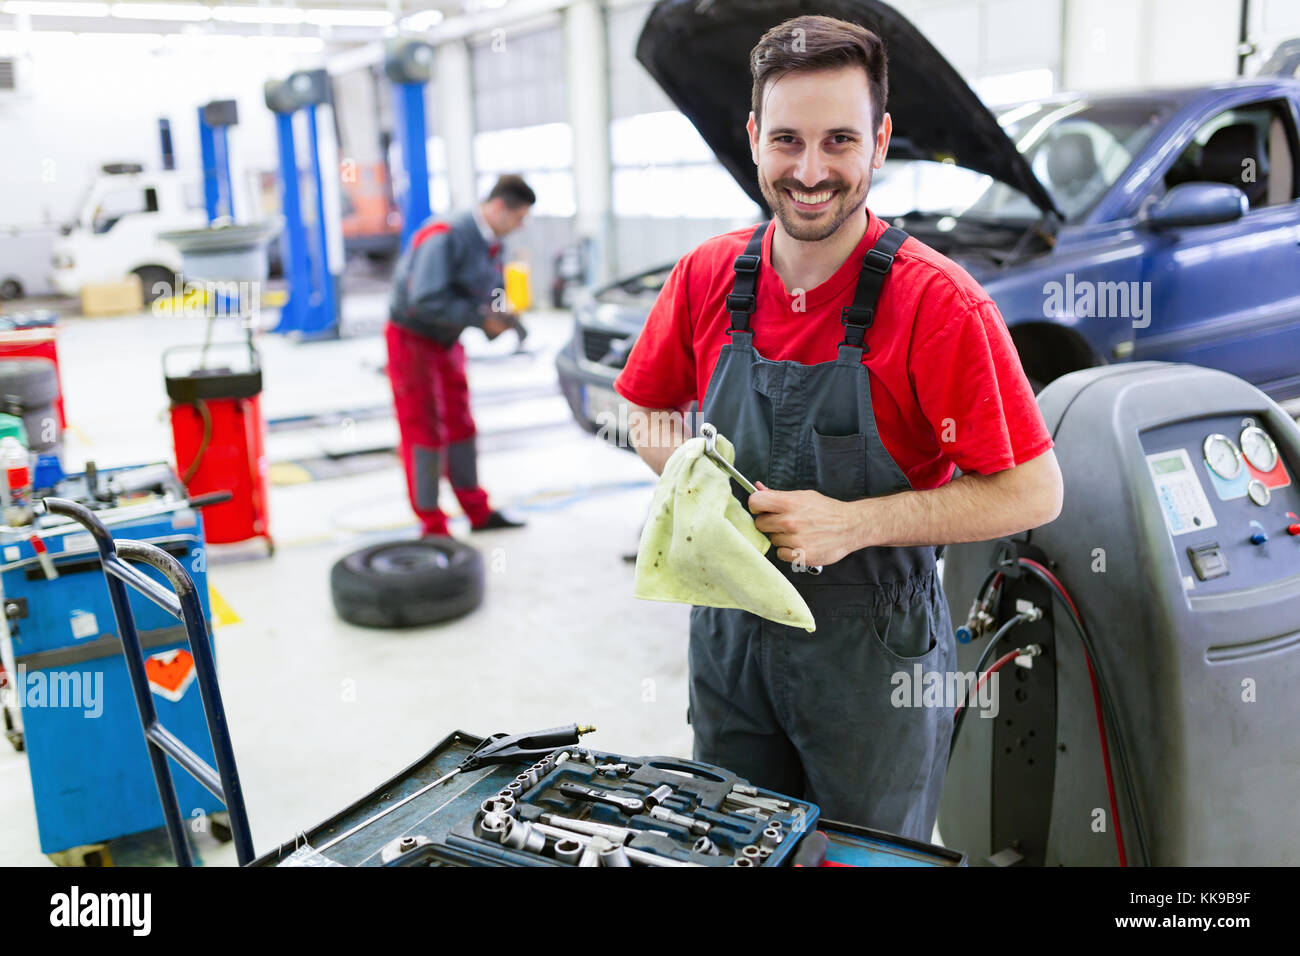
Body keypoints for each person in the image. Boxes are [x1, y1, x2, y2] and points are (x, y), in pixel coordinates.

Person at [613, 15, 1063, 841]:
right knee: (730, 842)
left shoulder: (938, 304)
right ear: (752, 138)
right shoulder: (706, 276)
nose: (810, 171)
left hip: (873, 659)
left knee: (864, 855)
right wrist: (689, 478)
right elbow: (641, 409)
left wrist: (856, 523)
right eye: (786, 139)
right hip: (728, 632)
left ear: (880, 142)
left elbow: (1034, 488)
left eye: (839, 141)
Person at [386, 174, 534, 537]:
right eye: (518, 218)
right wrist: (479, 318)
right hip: (413, 340)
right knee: (423, 428)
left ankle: (477, 511)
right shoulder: (445, 236)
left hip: (448, 340)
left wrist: (501, 314)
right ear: (498, 207)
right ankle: (432, 523)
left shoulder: (490, 242)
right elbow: (424, 300)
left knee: (460, 424)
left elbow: (493, 289)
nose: (520, 226)